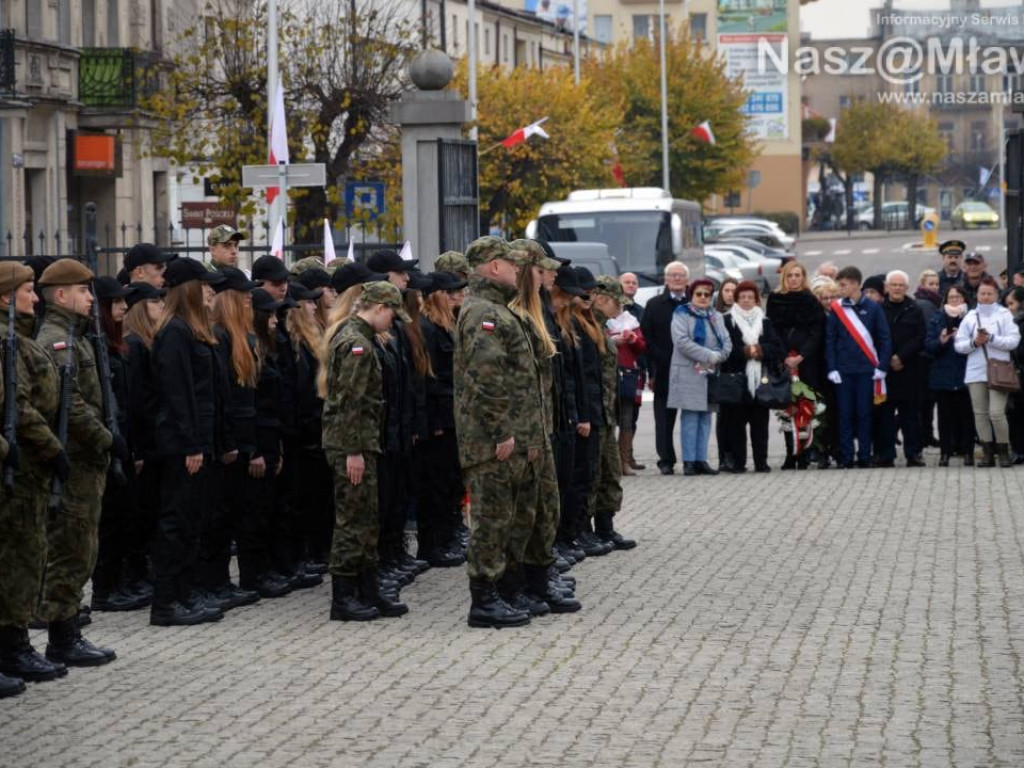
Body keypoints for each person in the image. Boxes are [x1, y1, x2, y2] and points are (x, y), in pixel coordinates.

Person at [454, 236, 546, 629]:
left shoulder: (497, 309)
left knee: (508, 518)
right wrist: (502, 431)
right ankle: (484, 600)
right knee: (491, 520)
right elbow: (486, 378)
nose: (516, 270)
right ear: (493, 266)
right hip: (491, 441)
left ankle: (506, 591)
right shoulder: (483, 313)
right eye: (510, 263)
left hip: (513, 438)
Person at [36, 258, 120, 666]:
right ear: (63, 295)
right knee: (72, 549)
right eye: (84, 291)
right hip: (77, 459)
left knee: (83, 547)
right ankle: (61, 637)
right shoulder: (59, 340)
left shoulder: (79, 336)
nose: (91, 298)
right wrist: (107, 439)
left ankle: (67, 631)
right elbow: (73, 404)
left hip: (89, 459)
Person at [321, 281, 411, 621]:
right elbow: (352, 402)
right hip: (352, 445)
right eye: (391, 314)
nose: (392, 322)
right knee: (353, 520)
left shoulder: (359, 337)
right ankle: (345, 597)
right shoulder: (356, 343)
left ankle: (367, 589)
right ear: (380, 308)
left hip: (362, 442)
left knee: (367, 518)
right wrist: (354, 451)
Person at [0, 262, 68, 687]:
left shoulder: (18, 339)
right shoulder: (8, 341)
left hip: (28, 463)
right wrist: (52, 446)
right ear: (7, 297)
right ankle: (12, 646)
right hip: (20, 464)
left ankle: (15, 642)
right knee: (19, 557)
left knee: (27, 554)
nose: (36, 297)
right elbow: (19, 408)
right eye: (28, 289)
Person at [149, 258, 228, 626]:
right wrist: (192, 444)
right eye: (204, 285)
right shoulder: (175, 332)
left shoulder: (193, 329)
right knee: (176, 522)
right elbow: (177, 393)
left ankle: (184, 594)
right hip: (183, 445)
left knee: (192, 521)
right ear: (188, 289)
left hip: (200, 441)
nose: (209, 291)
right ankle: (166, 602)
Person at [90, 277, 150, 612]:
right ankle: (104, 589)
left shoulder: (116, 346)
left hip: (125, 442)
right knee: (110, 522)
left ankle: (116, 584)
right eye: (115, 303)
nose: (123, 308)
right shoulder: (96, 345)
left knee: (125, 519)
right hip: (108, 446)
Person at [417, 271, 468, 567]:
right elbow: (428, 379)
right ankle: (431, 544)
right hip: (439, 418)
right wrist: (433, 422)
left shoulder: (448, 325)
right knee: (435, 484)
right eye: (450, 293)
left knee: (451, 482)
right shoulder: (428, 328)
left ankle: (448, 536)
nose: (457, 298)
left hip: (451, 415)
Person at [122, 282, 165, 601]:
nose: (161, 307)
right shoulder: (135, 344)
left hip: (153, 440)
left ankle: (142, 572)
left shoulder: (151, 341)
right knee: (139, 513)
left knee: (150, 511)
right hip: (144, 440)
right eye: (154, 303)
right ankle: (134, 574)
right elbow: (136, 400)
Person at [588, 276, 637, 551]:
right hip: (593, 412)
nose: (619, 310)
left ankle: (606, 527)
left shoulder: (600, 326)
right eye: (616, 303)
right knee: (592, 474)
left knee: (610, 470)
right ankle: (584, 531)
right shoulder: (583, 325)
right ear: (600, 298)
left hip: (607, 410)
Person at [826, 265, 892, 469]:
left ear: (855, 284)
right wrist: (832, 367)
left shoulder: (873, 308)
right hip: (844, 371)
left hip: (866, 371)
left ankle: (864, 455)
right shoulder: (837, 308)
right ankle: (846, 456)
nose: (840, 289)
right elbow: (830, 339)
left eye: (843, 284)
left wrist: (882, 365)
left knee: (864, 414)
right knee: (845, 414)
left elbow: (884, 338)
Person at [954, 276, 1021, 467]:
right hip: (975, 371)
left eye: (989, 293)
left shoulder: (1004, 315)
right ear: (977, 295)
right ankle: (988, 453)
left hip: (999, 370)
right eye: (982, 293)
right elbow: (959, 345)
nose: (985, 297)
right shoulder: (970, 316)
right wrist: (975, 342)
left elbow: (1013, 341)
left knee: (996, 413)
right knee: (980, 414)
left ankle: (1004, 451)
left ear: (996, 295)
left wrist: (991, 339)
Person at [667, 277, 731, 476]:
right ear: (691, 295)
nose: (703, 297)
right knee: (690, 417)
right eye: (699, 294)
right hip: (688, 371)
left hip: (709, 373)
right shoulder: (681, 313)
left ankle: (701, 459)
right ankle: (689, 461)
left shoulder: (715, 315)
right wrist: (708, 355)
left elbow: (727, 341)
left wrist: (719, 356)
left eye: (707, 294)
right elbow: (681, 341)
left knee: (705, 417)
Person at [766, 262, 825, 469]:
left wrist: (801, 356)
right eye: (789, 275)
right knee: (787, 408)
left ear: (803, 277)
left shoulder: (811, 301)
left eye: (797, 275)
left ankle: (806, 452)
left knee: (807, 406)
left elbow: (816, 333)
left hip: (807, 362)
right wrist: (785, 357)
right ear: (784, 278)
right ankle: (791, 453)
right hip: (783, 362)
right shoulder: (775, 299)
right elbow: (771, 331)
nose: (793, 279)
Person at [720, 281, 783, 473]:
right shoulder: (727, 320)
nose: (746, 301)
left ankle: (761, 462)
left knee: (760, 425)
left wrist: (760, 350)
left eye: (750, 297)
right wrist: (746, 351)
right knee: (736, 425)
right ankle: (739, 463)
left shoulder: (765, 321)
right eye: (742, 297)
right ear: (736, 299)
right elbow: (726, 349)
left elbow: (776, 347)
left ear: (756, 299)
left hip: (761, 381)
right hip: (737, 380)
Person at [640, 262, 689, 475]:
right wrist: (656, 361)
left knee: (691, 416)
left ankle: (693, 459)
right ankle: (666, 459)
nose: (677, 279)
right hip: (664, 368)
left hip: (690, 369)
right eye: (673, 275)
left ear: (686, 280)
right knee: (664, 419)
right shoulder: (654, 304)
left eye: (681, 276)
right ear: (666, 279)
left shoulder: (694, 303)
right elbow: (646, 336)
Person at [877, 270, 927, 467]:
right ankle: (886, 455)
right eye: (893, 285)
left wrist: (901, 356)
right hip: (886, 371)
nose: (897, 288)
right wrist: (888, 358)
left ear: (906, 288)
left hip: (909, 369)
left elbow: (920, 337)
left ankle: (913, 454)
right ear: (887, 287)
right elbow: (875, 337)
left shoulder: (914, 309)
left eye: (901, 285)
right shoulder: (878, 309)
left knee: (911, 417)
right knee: (885, 416)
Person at [924, 285, 975, 466]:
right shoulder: (938, 318)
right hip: (942, 374)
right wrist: (941, 341)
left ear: (965, 299)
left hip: (966, 372)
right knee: (944, 417)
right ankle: (945, 453)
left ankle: (968, 451)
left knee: (967, 416)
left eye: (958, 297)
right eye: (951, 297)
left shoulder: (972, 317)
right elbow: (928, 346)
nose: (954, 301)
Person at [618, 271, 646, 471]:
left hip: (634, 371)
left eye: (634, 282)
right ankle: (618, 460)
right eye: (626, 282)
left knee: (631, 417)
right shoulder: (607, 313)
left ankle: (627, 456)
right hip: (615, 370)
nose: (630, 285)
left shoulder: (640, 311)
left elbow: (646, 342)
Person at [915, 270, 942, 450]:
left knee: (927, 401)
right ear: (922, 285)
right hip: (925, 359)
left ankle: (926, 434)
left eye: (936, 284)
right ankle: (924, 435)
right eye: (930, 284)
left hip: (925, 358)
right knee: (925, 401)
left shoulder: (932, 302)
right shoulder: (926, 304)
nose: (934, 287)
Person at [1005, 286, 1024, 463]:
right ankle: (1018, 449)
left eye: (1012, 303)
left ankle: (1019, 450)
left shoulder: (1017, 323)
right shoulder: (1011, 322)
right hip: (1015, 375)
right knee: (1014, 413)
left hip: (1019, 372)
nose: (1009, 307)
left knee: (1016, 414)